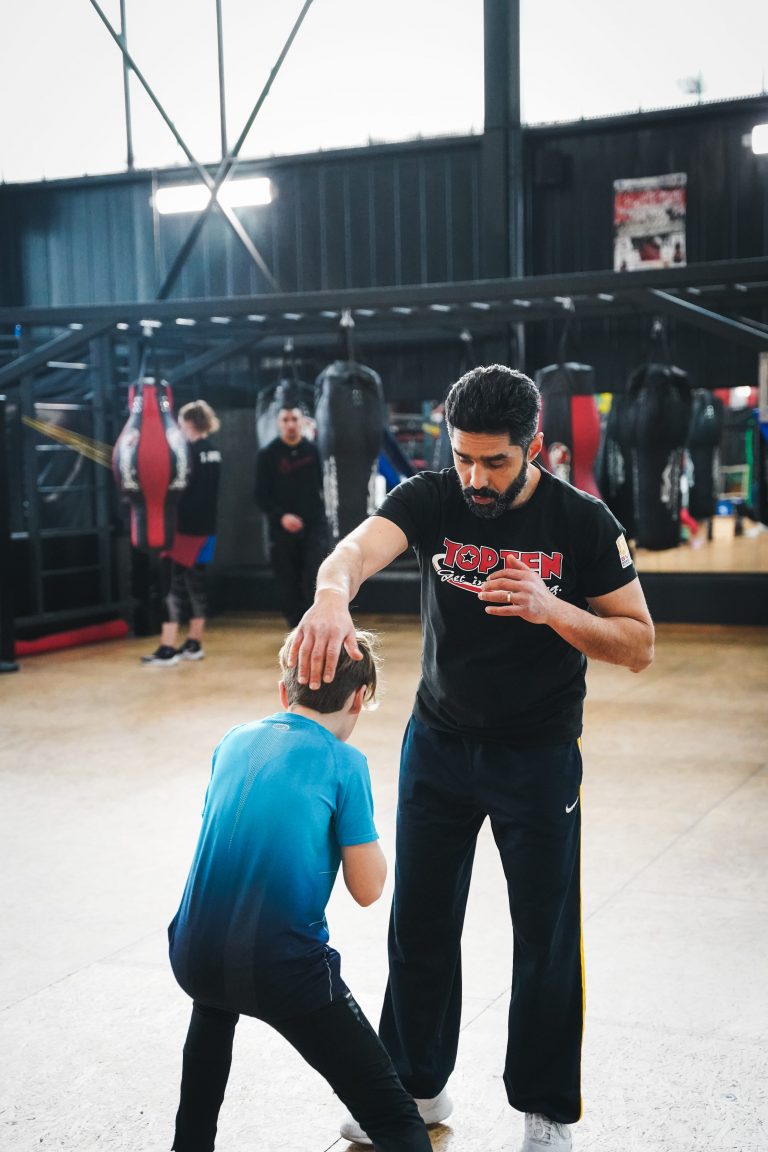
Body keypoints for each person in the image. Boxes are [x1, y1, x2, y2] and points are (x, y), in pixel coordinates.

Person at [289, 365, 655, 1152]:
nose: (475, 478)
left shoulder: (585, 523)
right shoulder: (430, 498)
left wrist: (554, 610)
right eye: (463, 457)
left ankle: (546, 1107)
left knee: (546, 935)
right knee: (418, 922)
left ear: (537, 449)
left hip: (538, 753)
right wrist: (329, 593)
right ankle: (418, 1085)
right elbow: (356, 549)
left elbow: (639, 643)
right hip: (440, 744)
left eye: (495, 462)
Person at [167, 629, 432, 1152]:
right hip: (283, 971)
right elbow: (368, 888)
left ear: (284, 692)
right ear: (360, 699)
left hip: (192, 954)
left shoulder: (234, 739)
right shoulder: (344, 763)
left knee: (215, 1005)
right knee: (396, 1118)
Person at [142, 400, 222, 666]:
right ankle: (194, 642)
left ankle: (167, 647)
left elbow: (183, 493)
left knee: (171, 586)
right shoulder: (213, 451)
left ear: (188, 423)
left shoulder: (187, 453)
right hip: (207, 529)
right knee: (195, 585)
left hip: (186, 530)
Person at [255, 403, 329, 627]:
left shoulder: (313, 451)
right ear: (279, 424)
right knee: (287, 579)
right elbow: (260, 495)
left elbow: (322, 488)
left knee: (314, 574)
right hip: (282, 529)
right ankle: (296, 626)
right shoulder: (268, 455)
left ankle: (314, 622)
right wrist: (281, 517)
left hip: (313, 525)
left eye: (294, 419)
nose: (290, 424)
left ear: (302, 422)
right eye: (285, 420)